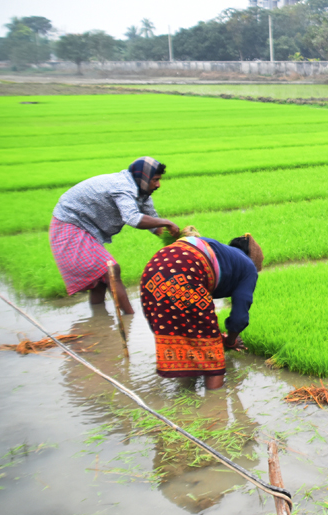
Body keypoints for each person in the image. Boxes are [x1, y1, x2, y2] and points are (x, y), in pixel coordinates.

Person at [50, 157, 180, 314]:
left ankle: (98, 320)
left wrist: (180, 241)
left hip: (86, 228)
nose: (158, 185)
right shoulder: (123, 187)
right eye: (155, 180)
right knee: (111, 270)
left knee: (100, 282)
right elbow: (132, 218)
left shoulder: (142, 192)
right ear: (144, 178)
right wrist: (166, 222)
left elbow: (154, 225)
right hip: (70, 224)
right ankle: (129, 317)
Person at [140, 229, 262, 390]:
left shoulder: (219, 251)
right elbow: (240, 317)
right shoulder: (248, 267)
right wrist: (229, 341)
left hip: (151, 274)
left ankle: (185, 392)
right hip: (184, 274)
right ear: (253, 260)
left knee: (182, 335)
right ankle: (215, 402)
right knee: (211, 347)